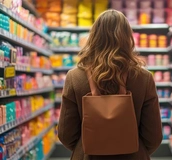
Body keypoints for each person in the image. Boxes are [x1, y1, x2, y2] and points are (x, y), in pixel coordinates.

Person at [58, 9, 162, 160]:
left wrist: (88, 146)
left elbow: (65, 134)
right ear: (128, 37)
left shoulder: (74, 77)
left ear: (93, 37)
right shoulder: (143, 77)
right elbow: (153, 136)